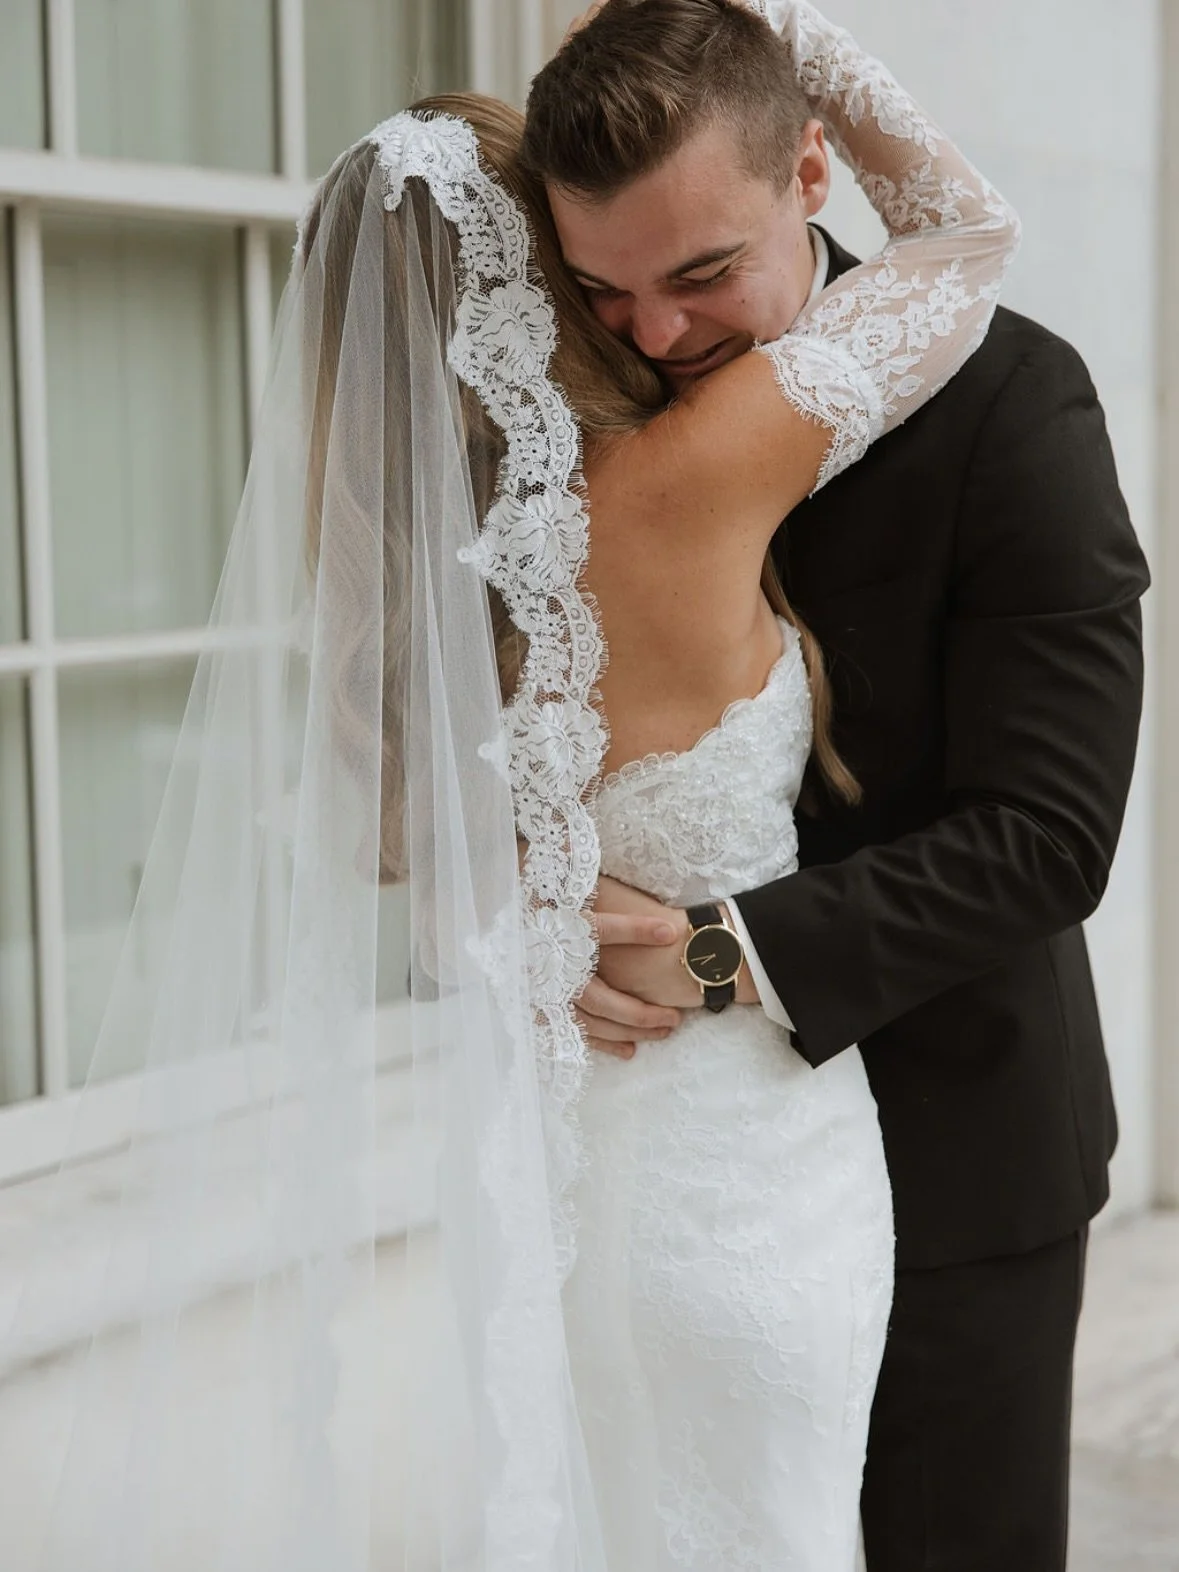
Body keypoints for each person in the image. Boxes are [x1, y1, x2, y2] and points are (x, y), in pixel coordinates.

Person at [0, 5, 1014, 1569]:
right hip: (744, 1177)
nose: (638, 325)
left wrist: (542, 904)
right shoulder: (683, 482)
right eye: (589, 279)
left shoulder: (392, 599)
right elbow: (962, 234)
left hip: (545, 1192)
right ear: (532, 283)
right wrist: (771, 42)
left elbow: (400, 839)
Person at [524, 1, 1151, 1568]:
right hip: (673, 1177)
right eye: (602, 289)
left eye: (699, 276)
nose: (654, 338)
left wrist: (719, 951)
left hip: (956, 1150)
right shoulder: (560, 420)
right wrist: (533, 897)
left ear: (812, 168)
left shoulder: (1015, 399)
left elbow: (1048, 837)